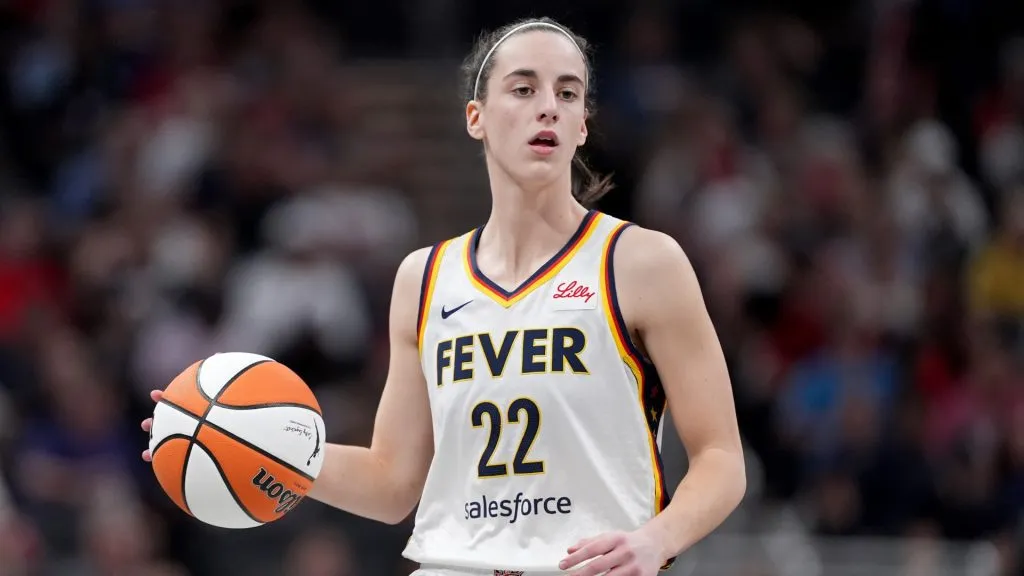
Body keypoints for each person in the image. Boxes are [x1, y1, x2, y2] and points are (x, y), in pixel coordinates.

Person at [141, 16, 746, 576]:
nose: (548, 109)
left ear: (583, 124)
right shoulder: (424, 277)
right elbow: (393, 483)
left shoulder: (641, 261)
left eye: (567, 93)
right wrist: (242, 439)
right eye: (523, 88)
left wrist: (658, 539)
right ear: (475, 117)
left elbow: (720, 456)